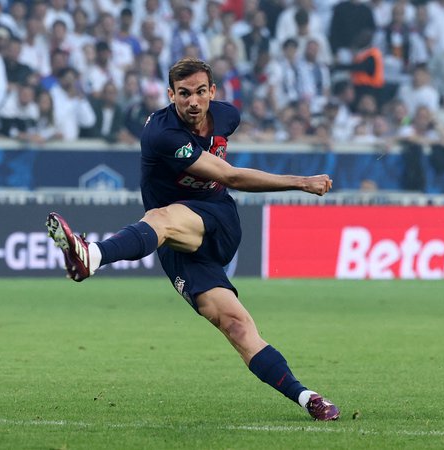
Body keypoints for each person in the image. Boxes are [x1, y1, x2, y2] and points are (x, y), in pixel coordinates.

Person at [46, 58, 340, 421]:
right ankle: (307, 397)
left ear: (212, 92)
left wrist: (300, 182)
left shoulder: (227, 116)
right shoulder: (162, 134)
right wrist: (300, 182)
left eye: (201, 92)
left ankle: (92, 255)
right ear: (171, 95)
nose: (193, 102)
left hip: (217, 221)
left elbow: (226, 179)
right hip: (178, 246)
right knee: (236, 326)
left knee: (160, 217)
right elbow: (231, 175)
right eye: (183, 94)